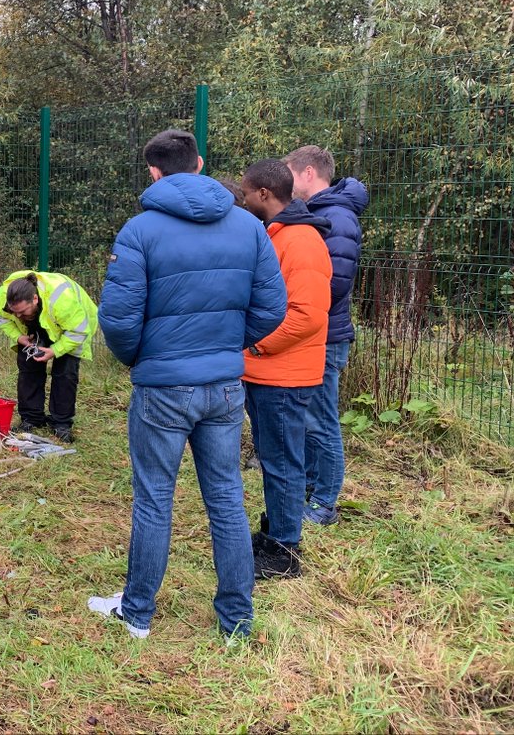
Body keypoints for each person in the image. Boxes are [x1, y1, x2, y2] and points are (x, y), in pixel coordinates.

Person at [91, 129, 286, 642]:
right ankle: (237, 623)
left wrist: (144, 358)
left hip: (162, 388)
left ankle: (137, 615)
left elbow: (118, 320)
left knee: (155, 496)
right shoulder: (249, 227)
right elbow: (272, 309)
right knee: (226, 496)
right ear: (199, 163)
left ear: (153, 172)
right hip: (223, 386)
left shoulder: (139, 231)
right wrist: (225, 349)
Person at [240, 159, 332, 580]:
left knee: (282, 463)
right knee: (274, 458)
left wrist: (257, 347)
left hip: (284, 375)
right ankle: (277, 531)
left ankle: (285, 552)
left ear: (263, 194)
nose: (242, 199)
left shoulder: (301, 240)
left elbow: (308, 315)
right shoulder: (278, 236)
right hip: (268, 373)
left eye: (246, 192)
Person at [285, 146, 369, 525]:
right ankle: (307, 487)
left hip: (326, 334)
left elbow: (334, 281)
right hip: (312, 331)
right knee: (306, 417)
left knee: (321, 419)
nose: (286, 181)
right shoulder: (318, 212)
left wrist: (293, 302)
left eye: (289, 172)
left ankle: (324, 502)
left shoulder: (337, 216)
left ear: (307, 173)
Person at [0, 271, 98, 442]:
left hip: (71, 327)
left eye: (22, 312)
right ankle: (32, 419)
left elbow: (78, 331)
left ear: (34, 299)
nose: (18, 316)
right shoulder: (2, 297)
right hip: (41, 321)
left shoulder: (62, 300)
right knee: (28, 366)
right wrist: (18, 336)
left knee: (65, 373)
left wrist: (55, 350)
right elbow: (1, 318)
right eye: (14, 312)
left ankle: (61, 423)